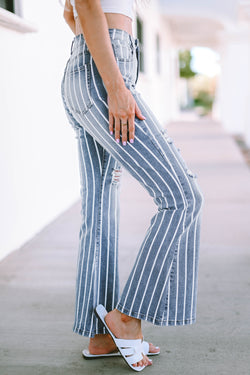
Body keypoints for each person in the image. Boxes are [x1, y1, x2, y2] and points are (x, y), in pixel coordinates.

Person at [61, 0, 204, 371]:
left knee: (99, 208)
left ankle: (102, 334)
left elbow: (69, 12)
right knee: (182, 197)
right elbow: (86, 4)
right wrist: (114, 84)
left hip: (88, 67)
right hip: (103, 72)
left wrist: (94, 58)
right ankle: (126, 318)